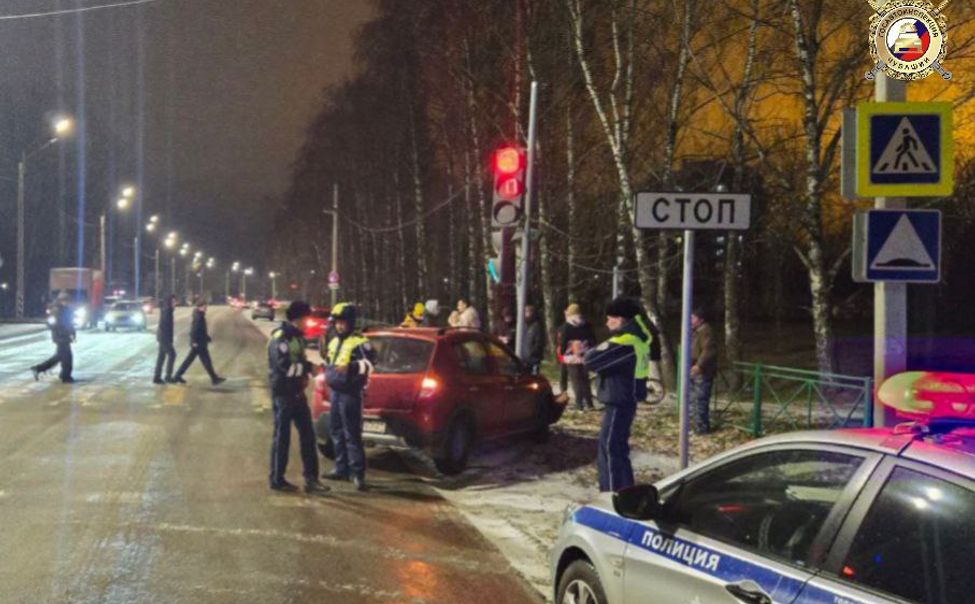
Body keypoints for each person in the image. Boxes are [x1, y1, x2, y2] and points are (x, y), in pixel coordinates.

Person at [584, 297, 650, 493]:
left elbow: (591, 359)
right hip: (627, 398)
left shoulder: (625, 342)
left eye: (611, 318)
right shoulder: (638, 340)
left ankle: (612, 493)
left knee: (610, 448)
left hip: (619, 399)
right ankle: (627, 491)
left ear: (621, 319)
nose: (607, 322)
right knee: (619, 449)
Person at [267, 301, 329, 494]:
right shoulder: (281, 338)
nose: (308, 323)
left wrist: (309, 366)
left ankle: (311, 479)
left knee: (308, 436)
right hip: (283, 394)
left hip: (297, 393)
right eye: (306, 319)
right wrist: (310, 369)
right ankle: (277, 478)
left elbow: (298, 361)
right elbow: (284, 367)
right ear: (298, 319)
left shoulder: (297, 338)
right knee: (282, 438)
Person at [322, 302, 376, 491]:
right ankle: (341, 468)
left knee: (352, 434)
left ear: (350, 322)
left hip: (351, 394)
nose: (339, 326)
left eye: (343, 322)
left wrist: (351, 367)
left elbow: (370, 364)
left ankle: (358, 474)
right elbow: (328, 361)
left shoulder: (360, 342)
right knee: (336, 431)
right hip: (335, 393)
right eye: (337, 323)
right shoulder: (334, 341)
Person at [172, 298, 226, 386]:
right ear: (200, 307)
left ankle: (177, 376)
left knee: (195, 360)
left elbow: (201, 330)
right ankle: (214, 379)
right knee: (203, 361)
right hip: (198, 343)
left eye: (206, 306)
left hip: (200, 342)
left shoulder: (199, 314)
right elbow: (194, 330)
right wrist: (193, 341)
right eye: (205, 306)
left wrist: (206, 337)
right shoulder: (198, 316)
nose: (206, 308)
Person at [30, 293, 76, 383]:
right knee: (67, 357)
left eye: (67, 300)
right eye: (64, 300)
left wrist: (72, 333)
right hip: (60, 337)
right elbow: (51, 324)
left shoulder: (66, 310)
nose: (66, 302)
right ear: (60, 300)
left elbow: (70, 323)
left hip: (65, 337)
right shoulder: (56, 310)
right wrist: (60, 330)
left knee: (60, 356)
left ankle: (38, 369)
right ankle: (65, 376)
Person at [558, 304, 596, 410]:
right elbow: (593, 340)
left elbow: (563, 342)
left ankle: (579, 405)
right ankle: (590, 403)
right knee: (585, 380)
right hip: (585, 355)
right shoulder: (587, 325)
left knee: (576, 381)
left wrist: (562, 352)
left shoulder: (566, 326)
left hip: (571, 356)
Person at [690, 306, 718, 434]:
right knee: (693, 400)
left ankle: (701, 428)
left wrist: (699, 365)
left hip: (702, 371)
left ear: (700, 320)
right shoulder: (696, 331)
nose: (690, 320)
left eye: (693, 318)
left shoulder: (705, 331)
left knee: (700, 400)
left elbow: (708, 350)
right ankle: (696, 426)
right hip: (695, 369)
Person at [153, 295, 177, 384]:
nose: (175, 303)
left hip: (162, 337)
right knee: (172, 354)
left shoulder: (166, 310)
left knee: (161, 356)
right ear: (169, 302)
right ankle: (168, 376)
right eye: (173, 302)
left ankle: (157, 377)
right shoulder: (168, 311)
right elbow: (164, 326)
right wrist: (168, 339)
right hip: (164, 337)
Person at [520, 304, 545, 374]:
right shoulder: (523, 325)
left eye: (528, 312)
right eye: (525, 312)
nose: (526, 314)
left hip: (533, 358)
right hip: (523, 358)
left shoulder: (537, 326)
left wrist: (532, 352)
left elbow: (539, 342)